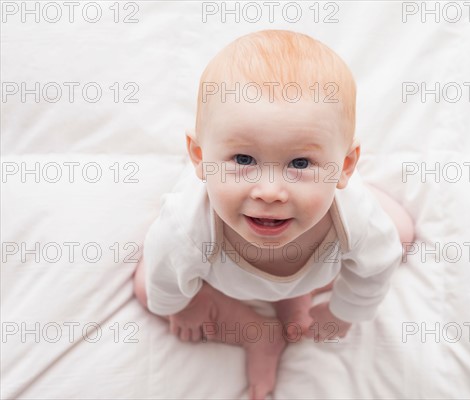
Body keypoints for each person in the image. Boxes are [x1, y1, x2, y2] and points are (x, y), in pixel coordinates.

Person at [133, 29, 414, 400]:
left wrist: (347, 310)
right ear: (200, 158)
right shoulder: (186, 228)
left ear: (345, 166)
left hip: (319, 257)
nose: (269, 192)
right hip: (222, 282)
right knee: (148, 290)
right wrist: (182, 307)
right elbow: (165, 278)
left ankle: (295, 294)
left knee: (401, 234)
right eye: (243, 160)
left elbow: (376, 268)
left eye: (299, 162)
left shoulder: (358, 224)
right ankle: (257, 331)